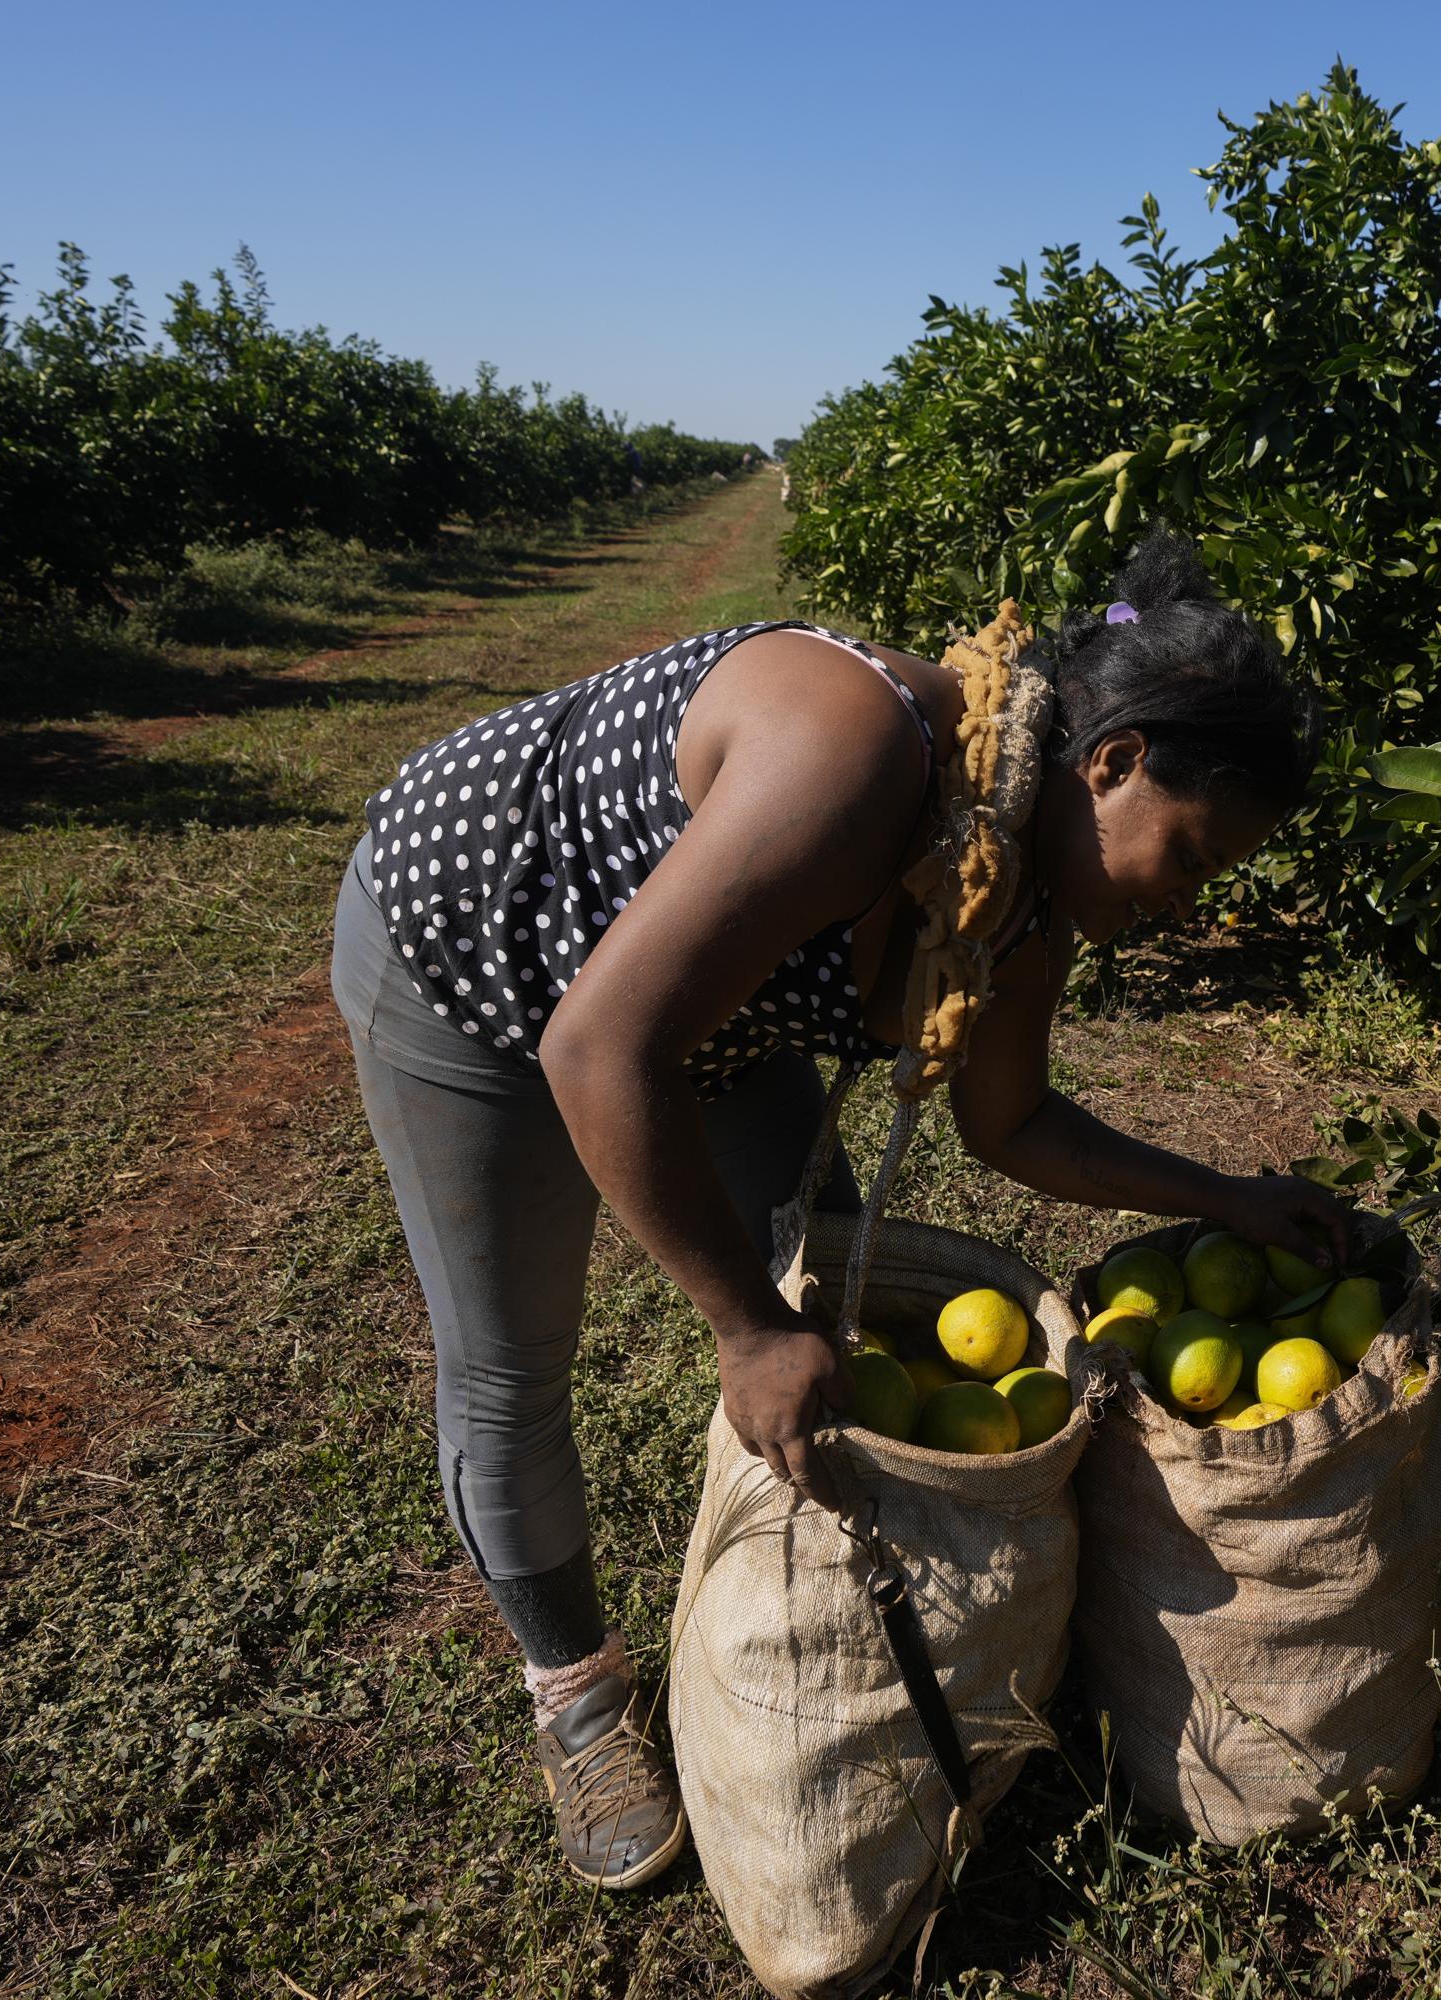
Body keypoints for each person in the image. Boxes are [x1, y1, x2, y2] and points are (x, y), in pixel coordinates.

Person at [326, 532, 1350, 1888]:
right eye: (1192, 854)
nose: (1188, 901)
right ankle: (575, 1697)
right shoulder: (859, 755)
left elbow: (1014, 1122)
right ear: (1113, 762)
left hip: (695, 1010)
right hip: (477, 947)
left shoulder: (1015, 884)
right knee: (513, 1365)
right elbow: (597, 1050)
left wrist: (1227, 1197)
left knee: (836, 1310)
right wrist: (744, 1330)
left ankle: (825, 1622)